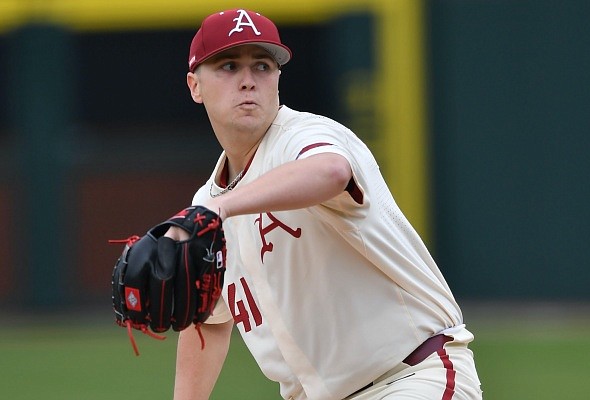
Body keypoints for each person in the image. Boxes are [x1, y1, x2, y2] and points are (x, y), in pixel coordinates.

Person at [168, 8, 482, 400]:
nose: (248, 81)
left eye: (263, 66)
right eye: (229, 66)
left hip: (411, 378)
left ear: (278, 79)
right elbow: (209, 321)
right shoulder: (208, 203)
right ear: (195, 86)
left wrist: (222, 209)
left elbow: (332, 171)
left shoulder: (304, 136)